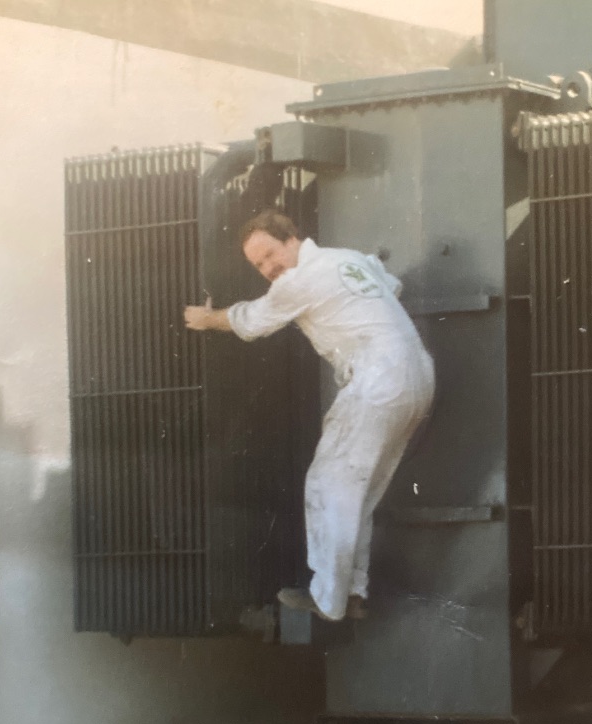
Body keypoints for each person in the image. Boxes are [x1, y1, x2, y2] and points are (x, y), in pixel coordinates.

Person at [183, 209, 434, 622]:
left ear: (291, 238)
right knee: (359, 490)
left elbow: (252, 320)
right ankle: (351, 592)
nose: (268, 268)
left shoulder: (299, 281)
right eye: (258, 265)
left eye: (270, 254)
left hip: (377, 378)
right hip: (417, 376)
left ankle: (329, 599)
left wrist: (207, 319)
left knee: (326, 483)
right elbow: (391, 284)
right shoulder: (348, 258)